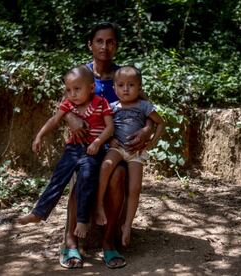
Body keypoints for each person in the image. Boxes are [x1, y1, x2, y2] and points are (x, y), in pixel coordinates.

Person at [62, 22, 154, 269]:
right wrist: (71, 118)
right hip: (87, 145)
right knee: (83, 173)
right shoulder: (83, 74)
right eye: (99, 41)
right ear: (90, 45)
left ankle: (109, 241)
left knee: (119, 176)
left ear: (116, 46)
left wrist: (146, 130)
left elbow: (148, 111)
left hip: (117, 148)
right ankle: (70, 241)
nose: (105, 46)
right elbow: (64, 106)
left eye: (110, 41)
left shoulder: (123, 76)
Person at [17, 65, 114, 266]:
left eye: (77, 89)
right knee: (57, 179)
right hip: (73, 150)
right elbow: (55, 119)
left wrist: (97, 142)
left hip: (92, 151)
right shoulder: (69, 105)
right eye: (68, 90)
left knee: (86, 180)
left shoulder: (101, 102)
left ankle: (82, 221)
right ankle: (39, 212)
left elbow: (110, 127)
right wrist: (40, 135)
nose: (72, 94)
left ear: (91, 87)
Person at [95, 65, 165, 248]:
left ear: (140, 88)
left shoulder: (144, 106)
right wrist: (110, 141)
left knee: (135, 188)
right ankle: (99, 205)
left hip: (136, 153)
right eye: (121, 85)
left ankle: (127, 226)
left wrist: (152, 142)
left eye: (131, 85)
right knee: (106, 166)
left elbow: (160, 123)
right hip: (117, 148)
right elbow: (105, 128)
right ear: (114, 88)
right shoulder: (111, 107)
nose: (126, 89)